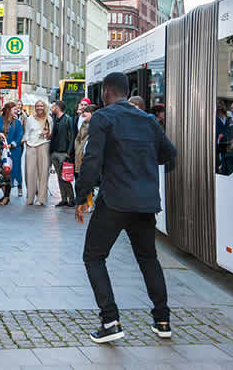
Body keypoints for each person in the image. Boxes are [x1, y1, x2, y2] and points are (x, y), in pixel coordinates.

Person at [74, 72, 177, 344]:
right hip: (145, 203)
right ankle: (162, 320)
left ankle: (110, 321)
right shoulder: (148, 120)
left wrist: (81, 196)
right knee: (148, 259)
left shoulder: (103, 118)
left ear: (107, 91)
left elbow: (91, 162)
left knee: (93, 257)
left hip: (116, 200)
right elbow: (170, 155)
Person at [0, 102, 23, 205]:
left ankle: (6, 196)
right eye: (14, 109)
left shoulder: (17, 122)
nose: (16, 111)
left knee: (8, 174)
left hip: (10, 152)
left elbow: (19, 135)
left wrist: (12, 144)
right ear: (8, 110)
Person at [23, 100, 52, 206]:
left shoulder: (49, 119)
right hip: (31, 146)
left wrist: (47, 133)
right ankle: (29, 197)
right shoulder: (29, 119)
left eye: (41, 106)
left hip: (43, 145)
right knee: (29, 172)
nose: (39, 107)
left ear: (44, 107)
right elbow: (26, 133)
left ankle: (41, 198)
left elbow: (51, 134)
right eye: (37, 106)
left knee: (43, 173)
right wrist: (26, 142)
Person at [49, 101, 75, 207]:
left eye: (54, 106)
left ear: (58, 107)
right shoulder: (55, 119)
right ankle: (63, 199)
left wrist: (68, 153)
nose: (52, 108)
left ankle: (71, 199)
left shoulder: (68, 119)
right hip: (55, 153)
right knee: (59, 178)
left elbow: (72, 136)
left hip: (64, 153)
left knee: (65, 177)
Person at [74, 104, 98, 212]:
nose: (83, 114)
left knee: (89, 181)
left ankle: (90, 204)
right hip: (81, 155)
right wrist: (78, 148)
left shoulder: (97, 126)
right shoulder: (83, 124)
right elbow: (77, 138)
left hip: (90, 157)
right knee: (83, 180)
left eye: (86, 112)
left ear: (92, 113)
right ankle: (86, 203)